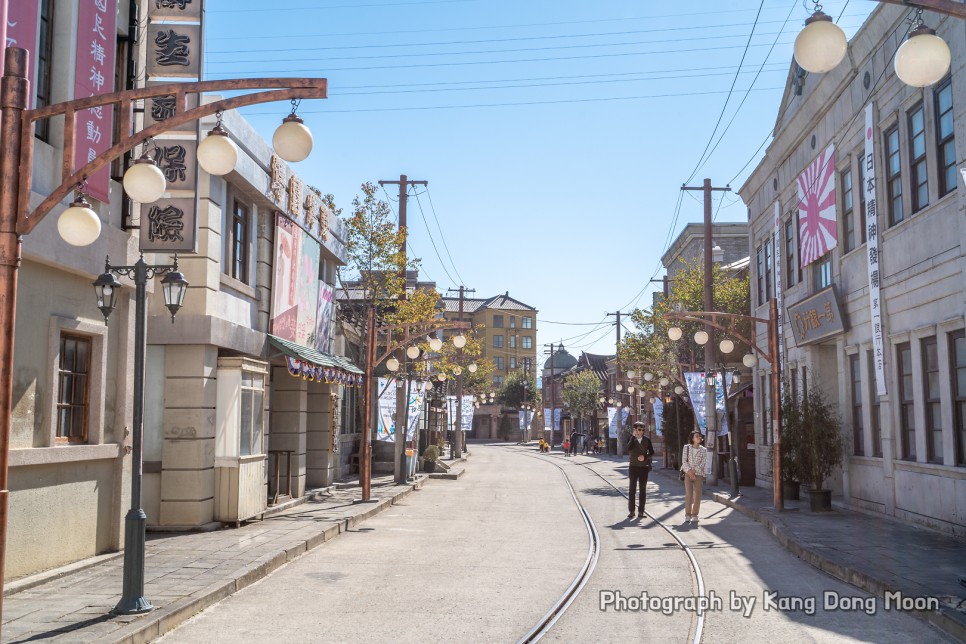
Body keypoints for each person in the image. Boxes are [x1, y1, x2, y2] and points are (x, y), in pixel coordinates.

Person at [626, 422, 654, 520]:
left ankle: (641, 511)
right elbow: (628, 448)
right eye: (639, 429)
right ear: (634, 430)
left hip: (643, 467)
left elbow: (652, 452)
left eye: (642, 430)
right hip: (633, 467)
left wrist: (645, 457)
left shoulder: (647, 440)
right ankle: (631, 511)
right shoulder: (632, 440)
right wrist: (633, 437)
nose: (641, 432)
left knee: (643, 490)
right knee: (632, 490)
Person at [681, 431, 709, 524]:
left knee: (697, 494)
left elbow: (703, 462)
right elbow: (684, 461)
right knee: (689, 494)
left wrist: (694, 471)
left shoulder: (704, 449)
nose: (699, 437)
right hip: (688, 473)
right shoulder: (687, 447)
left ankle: (695, 514)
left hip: (699, 474)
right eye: (697, 436)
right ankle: (687, 515)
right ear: (692, 438)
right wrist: (689, 471)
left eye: (700, 436)